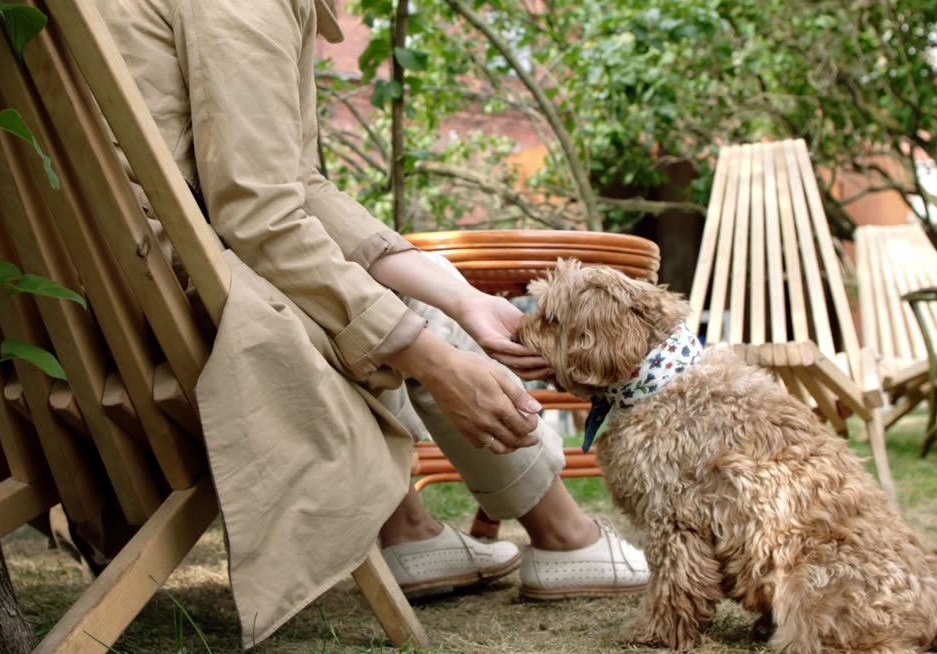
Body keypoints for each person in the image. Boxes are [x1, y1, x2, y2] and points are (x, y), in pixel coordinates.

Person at [99, 0, 648, 609]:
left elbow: (295, 187)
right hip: (160, 312)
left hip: (104, 299)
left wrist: (462, 297)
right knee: (376, 307)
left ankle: (411, 531)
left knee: (414, 287)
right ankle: (563, 535)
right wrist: (439, 362)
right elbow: (260, 217)